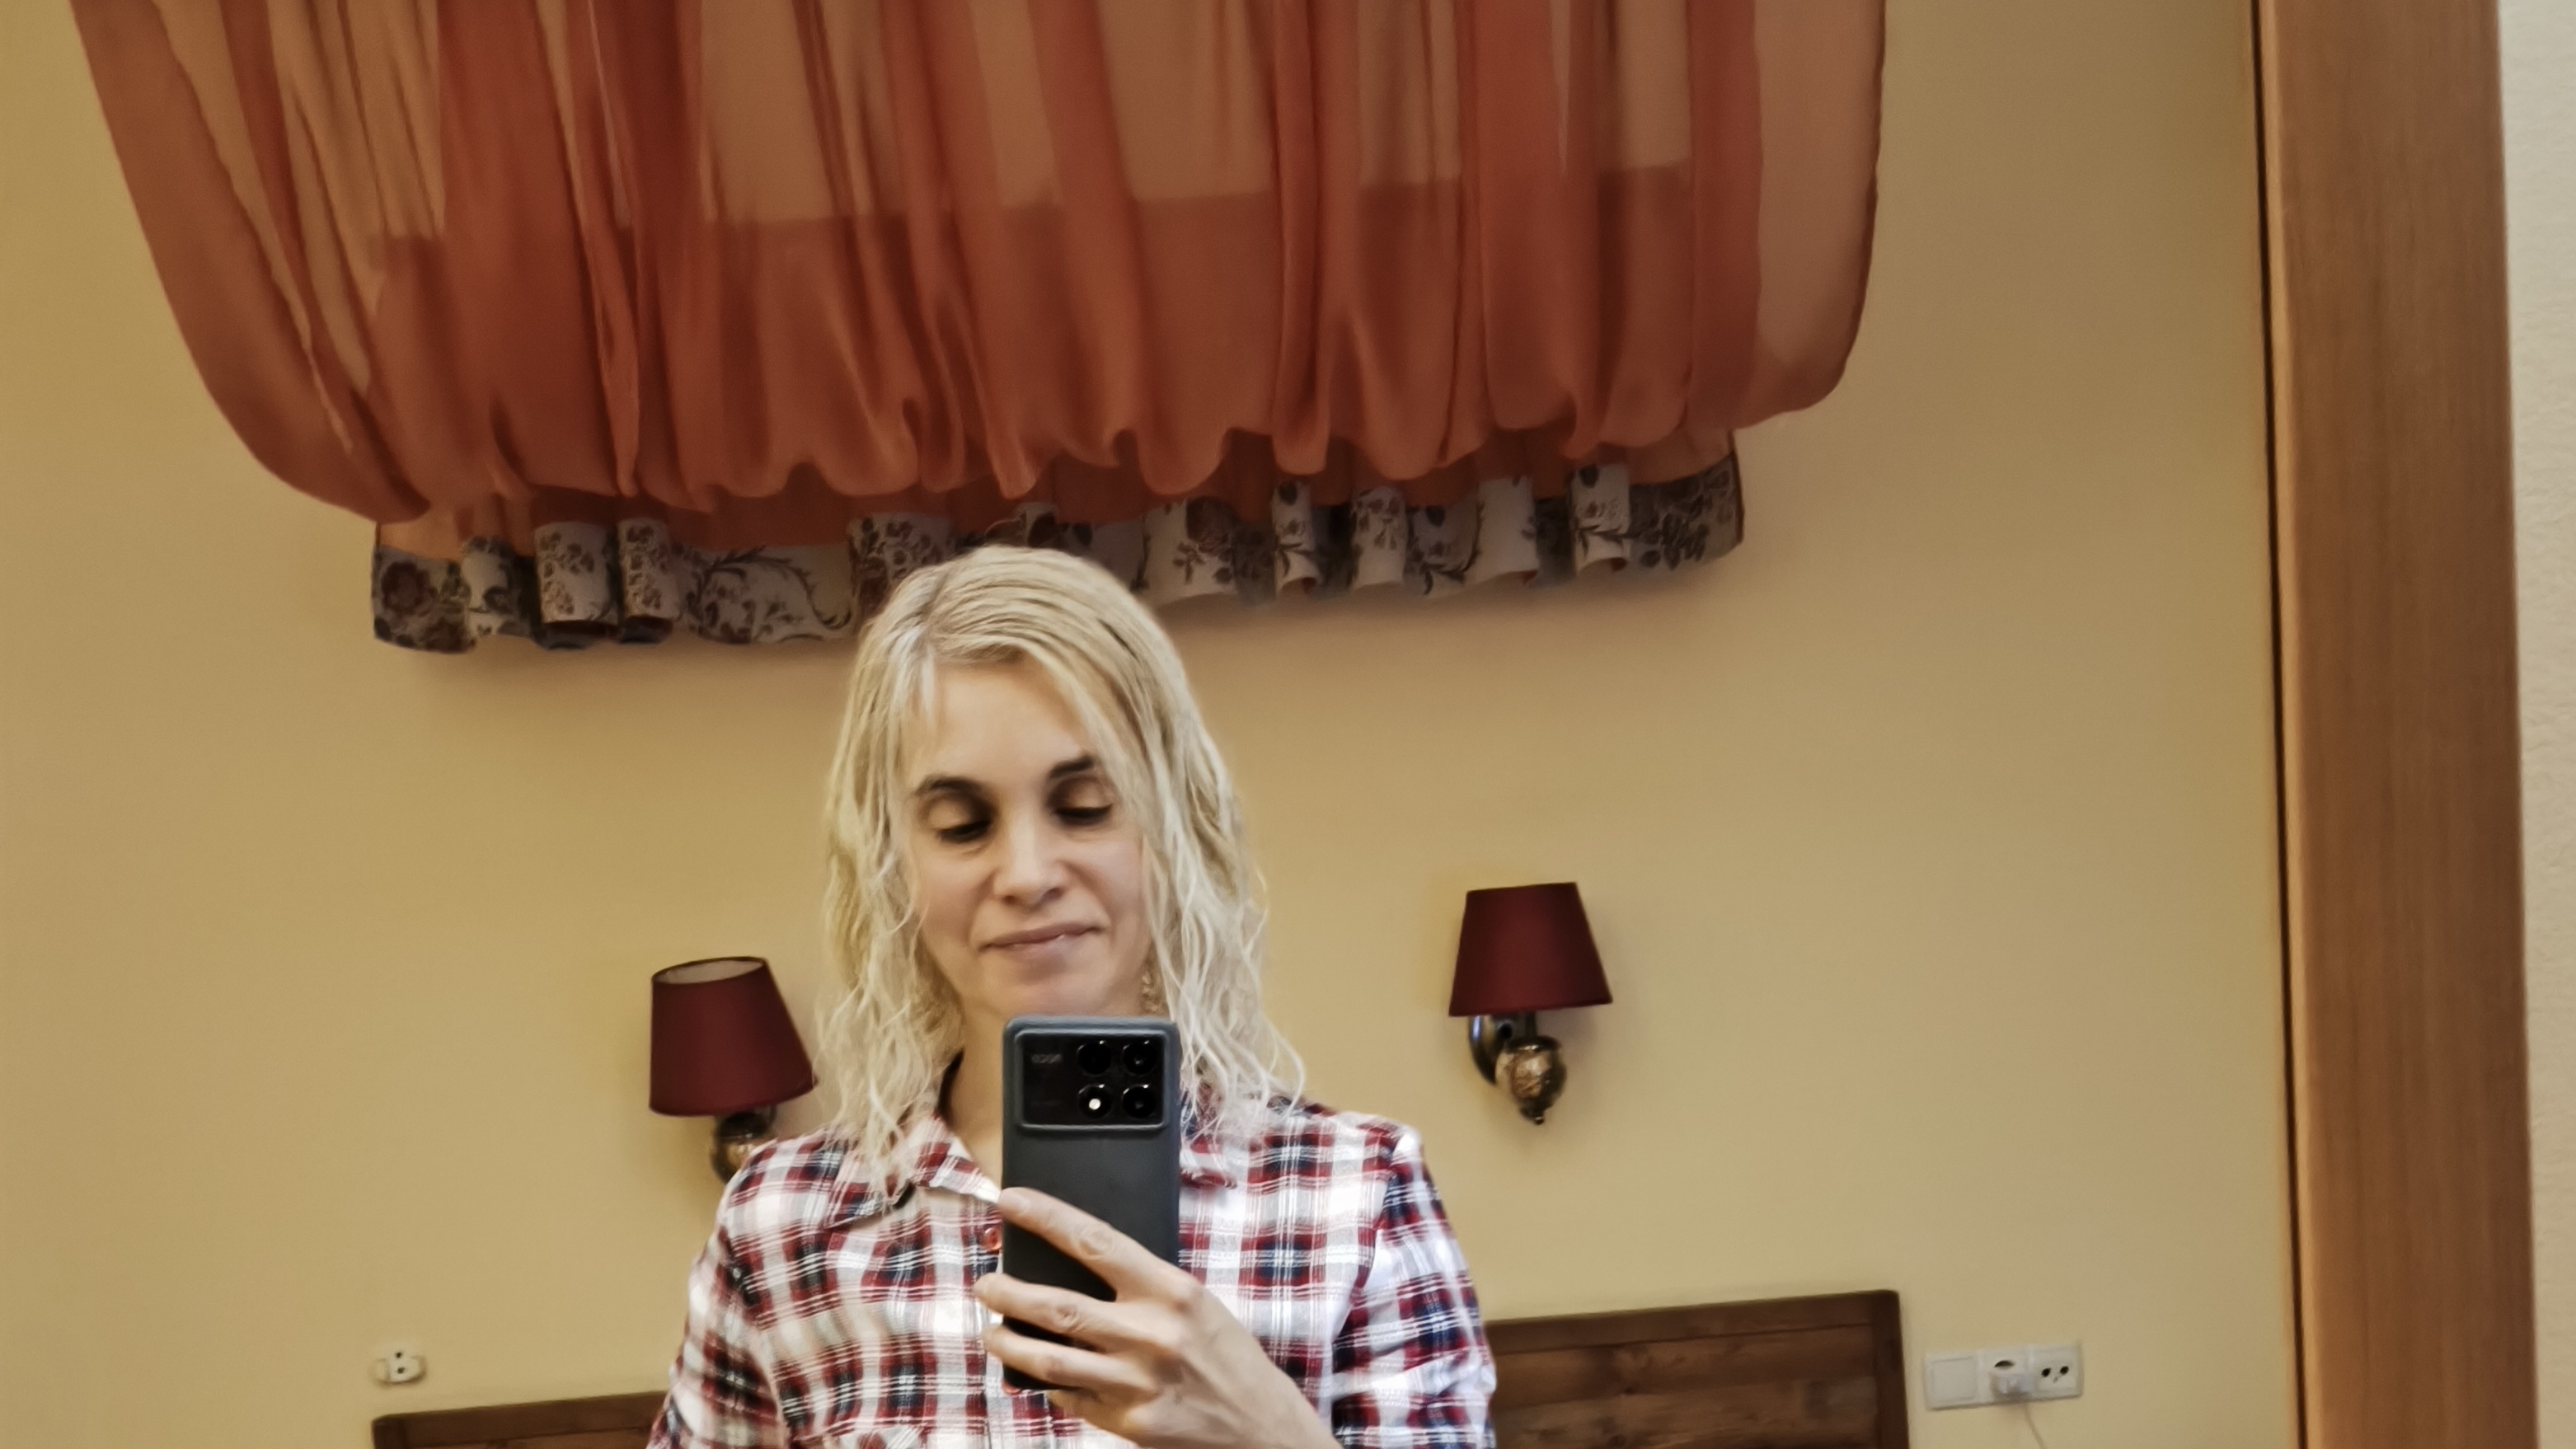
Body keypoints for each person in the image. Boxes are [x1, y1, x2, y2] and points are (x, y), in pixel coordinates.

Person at [649, 547, 1496, 1448]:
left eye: (1085, 806)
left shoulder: (1354, 1194)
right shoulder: (780, 1224)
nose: (1026, 874)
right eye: (961, 825)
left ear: (1175, 825)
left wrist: (1269, 1431)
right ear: (891, 862)